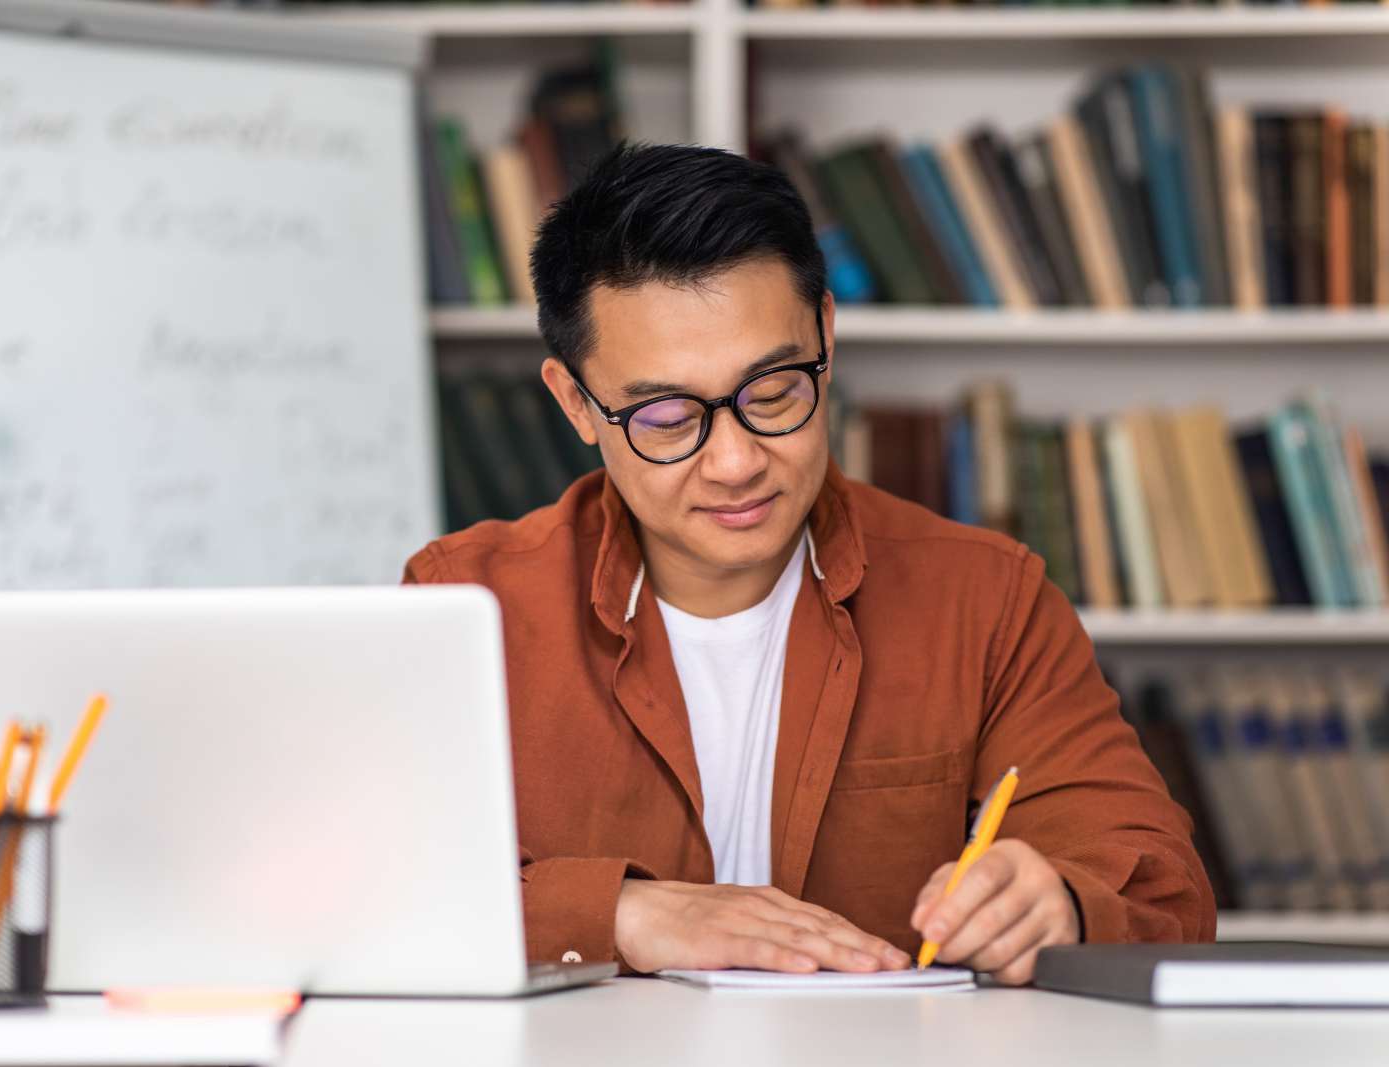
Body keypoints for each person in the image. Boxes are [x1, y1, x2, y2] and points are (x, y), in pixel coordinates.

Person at [403, 143, 1213, 986]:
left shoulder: (985, 598)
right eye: (668, 416)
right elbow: (367, 894)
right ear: (576, 402)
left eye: (775, 391)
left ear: (826, 335)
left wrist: (1067, 905)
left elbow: (1164, 887)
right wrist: (623, 914)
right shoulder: (466, 603)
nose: (735, 462)